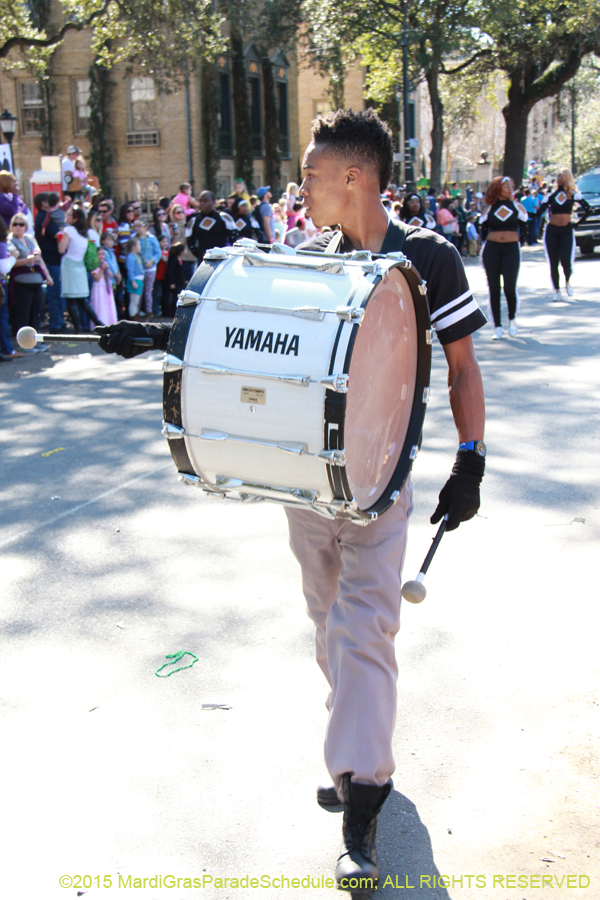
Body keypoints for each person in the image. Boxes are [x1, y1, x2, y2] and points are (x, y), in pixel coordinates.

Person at [94, 108, 487, 892]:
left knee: (364, 629)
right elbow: (248, 345)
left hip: (381, 486)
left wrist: (470, 458)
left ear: (354, 178)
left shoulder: (427, 257)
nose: (300, 187)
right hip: (307, 483)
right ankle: (357, 753)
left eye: (310, 175)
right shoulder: (310, 259)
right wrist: (161, 334)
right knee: (327, 624)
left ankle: (362, 801)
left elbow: (464, 368)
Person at [479, 176, 528, 339]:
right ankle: (497, 326)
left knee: (509, 288)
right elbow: (483, 229)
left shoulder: (517, 206)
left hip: (511, 249)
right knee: (494, 289)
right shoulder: (490, 208)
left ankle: (512, 319)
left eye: (511, 186)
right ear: (497, 188)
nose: (510, 188)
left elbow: (524, 227)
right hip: (492, 250)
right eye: (506, 185)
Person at [537, 169, 590, 300]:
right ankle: (556, 290)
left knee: (566, 261)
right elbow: (539, 213)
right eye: (558, 176)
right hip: (552, 231)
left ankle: (567, 281)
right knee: (553, 262)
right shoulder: (551, 195)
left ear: (567, 178)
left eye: (562, 176)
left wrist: (576, 224)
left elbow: (588, 209)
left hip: (566, 230)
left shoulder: (572, 194)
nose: (559, 179)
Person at [7, 213, 53, 338]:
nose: (18, 227)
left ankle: (35, 340)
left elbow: (39, 258)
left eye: (21, 224)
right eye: (15, 224)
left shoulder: (29, 239)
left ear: (26, 226)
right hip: (21, 283)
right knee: (23, 314)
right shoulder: (10, 241)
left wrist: (47, 275)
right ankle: (23, 343)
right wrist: (27, 260)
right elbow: (10, 263)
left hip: (36, 280)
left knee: (36, 314)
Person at [58, 206, 103, 332]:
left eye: (68, 215)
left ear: (75, 217)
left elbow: (61, 249)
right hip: (81, 266)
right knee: (83, 300)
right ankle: (98, 323)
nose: (66, 217)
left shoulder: (69, 230)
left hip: (69, 265)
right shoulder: (86, 232)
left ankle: (78, 329)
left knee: (71, 300)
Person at [33, 193, 64, 332]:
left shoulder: (44, 216)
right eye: (49, 201)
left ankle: (58, 323)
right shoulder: (43, 217)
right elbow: (57, 234)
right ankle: (56, 325)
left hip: (52, 260)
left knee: (56, 293)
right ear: (43, 203)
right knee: (55, 294)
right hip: (51, 260)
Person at [0, 217, 24, 360]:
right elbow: (4, 268)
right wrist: (13, 258)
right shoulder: (2, 245)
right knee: (2, 316)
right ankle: (7, 349)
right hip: (1, 283)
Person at [187, 191, 228, 266]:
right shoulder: (195, 220)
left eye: (205, 201)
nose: (202, 203)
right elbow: (190, 240)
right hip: (203, 261)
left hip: (222, 259)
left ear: (213, 202)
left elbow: (233, 237)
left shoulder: (223, 217)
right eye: (200, 201)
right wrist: (199, 254)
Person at [132, 218, 161, 318]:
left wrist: (152, 260)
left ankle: (149, 312)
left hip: (150, 268)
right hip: (138, 269)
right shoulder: (134, 238)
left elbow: (158, 253)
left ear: (145, 227)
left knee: (148, 291)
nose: (137, 228)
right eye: (135, 226)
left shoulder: (151, 238)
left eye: (139, 226)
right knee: (138, 290)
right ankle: (136, 312)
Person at [89, 247, 117, 325]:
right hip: (98, 289)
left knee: (107, 306)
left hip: (106, 288)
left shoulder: (104, 264)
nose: (101, 256)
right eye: (99, 254)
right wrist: (102, 269)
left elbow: (111, 275)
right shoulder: (95, 266)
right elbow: (97, 278)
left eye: (103, 254)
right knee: (99, 306)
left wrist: (107, 268)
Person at [162, 242, 186, 316]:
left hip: (178, 282)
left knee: (176, 297)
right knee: (171, 297)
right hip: (173, 282)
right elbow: (170, 271)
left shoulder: (178, 259)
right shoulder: (174, 259)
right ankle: (170, 313)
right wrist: (171, 282)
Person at [125, 237, 145, 318]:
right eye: (139, 245)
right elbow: (130, 271)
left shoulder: (136, 256)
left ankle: (135, 315)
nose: (140, 247)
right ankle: (133, 317)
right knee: (134, 301)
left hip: (139, 281)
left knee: (136, 301)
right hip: (135, 281)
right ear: (133, 247)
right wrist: (133, 281)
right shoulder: (130, 257)